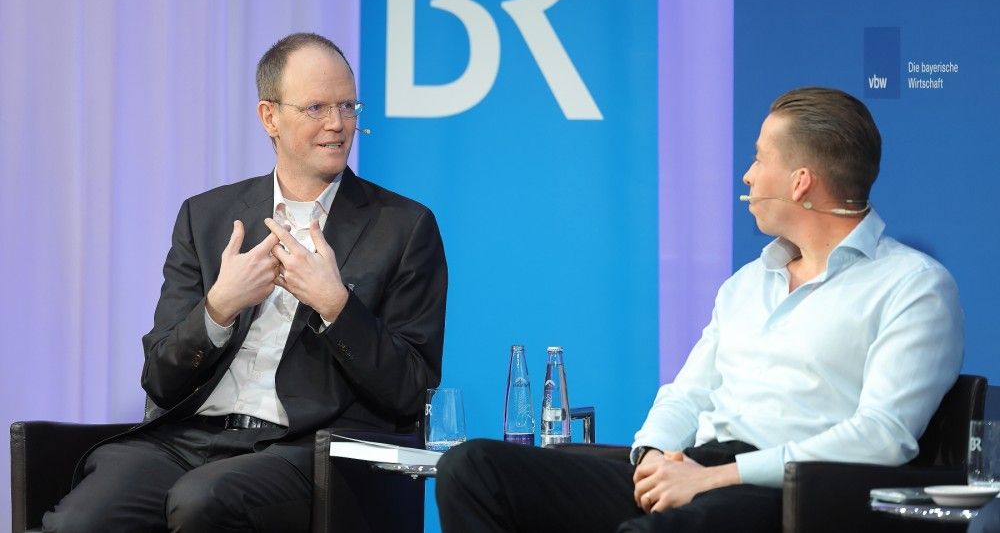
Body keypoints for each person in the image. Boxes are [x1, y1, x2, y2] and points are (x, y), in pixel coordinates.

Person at [435, 87, 963, 533]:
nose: (748, 177)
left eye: (759, 159)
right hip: (696, 468)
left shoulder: (912, 285)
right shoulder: (748, 282)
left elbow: (881, 435)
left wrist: (718, 477)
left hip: (787, 493)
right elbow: (688, 394)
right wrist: (653, 458)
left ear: (800, 181)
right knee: (473, 467)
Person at [43, 32, 448, 532]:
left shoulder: (402, 227)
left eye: (348, 105)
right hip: (189, 437)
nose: (338, 123)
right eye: (317, 107)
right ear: (269, 117)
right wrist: (218, 309)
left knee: (203, 501)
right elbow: (160, 378)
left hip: (305, 449)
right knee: (82, 520)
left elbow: (412, 388)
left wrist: (336, 306)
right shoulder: (206, 217)